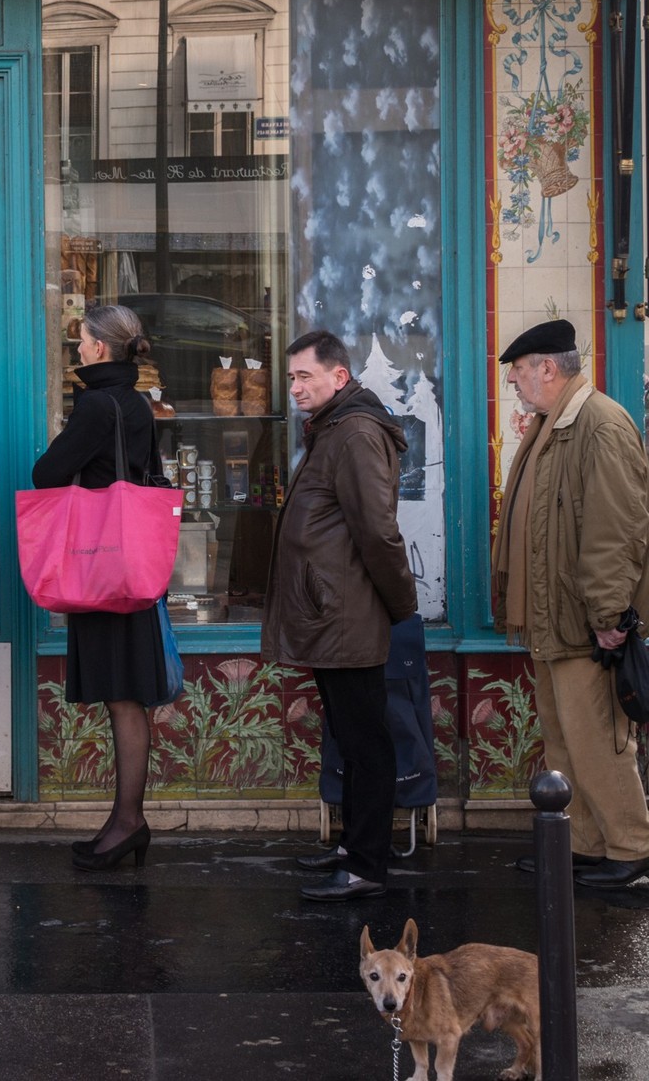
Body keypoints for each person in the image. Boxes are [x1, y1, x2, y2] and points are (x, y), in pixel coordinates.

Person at [491, 318, 649, 888]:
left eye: (518, 374)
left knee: (599, 740)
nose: (515, 384)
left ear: (547, 369)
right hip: (552, 621)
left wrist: (610, 617)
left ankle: (631, 847)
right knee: (564, 742)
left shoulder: (599, 425)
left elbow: (616, 530)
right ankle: (584, 843)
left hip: (587, 626)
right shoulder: (552, 425)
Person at [262, 329, 417, 902]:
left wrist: (399, 606)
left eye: (305, 376)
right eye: (293, 377)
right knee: (350, 739)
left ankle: (367, 866)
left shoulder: (353, 432)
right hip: (333, 611)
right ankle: (353, 846)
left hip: (346, 613)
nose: (296, 387)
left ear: (339, 377)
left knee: (366, 741)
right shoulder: (332, 428)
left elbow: (377, 531)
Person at [31, 303, 165, 870]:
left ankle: (129, 822)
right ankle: (125, 819)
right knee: (127, 696)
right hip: (131, 567)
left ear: (101, 348)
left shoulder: (94, 403)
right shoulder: (134, 401)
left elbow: (46, 474)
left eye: (82, 339)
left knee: (122, 699)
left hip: (100, 569)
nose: (76, 346)